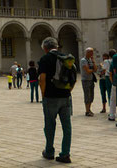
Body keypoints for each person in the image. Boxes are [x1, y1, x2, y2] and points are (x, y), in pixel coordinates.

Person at [38, 36, 73, 164]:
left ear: (45, 49)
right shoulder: (66, 57)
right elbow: (73, 78)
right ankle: (65, 153)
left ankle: (49, 151)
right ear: (56, 46)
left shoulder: (45, 59)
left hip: (50, 96)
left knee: (49, 125)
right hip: (65, 96)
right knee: (67, 127)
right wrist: (68, 91)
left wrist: (43, 94)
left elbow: (42, 79)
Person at [80, 47, 97, 116]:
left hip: (91, 80)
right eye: (91, 52)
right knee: (87, 95)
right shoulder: (83, 60)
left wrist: (93, 61)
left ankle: (89, 109)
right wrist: (92, 70)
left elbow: (95, 69)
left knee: (91, 95)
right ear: (87, 52)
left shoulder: (90, 60)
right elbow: (87, 71)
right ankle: (87, 111)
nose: (92, 54)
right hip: (85, 80)